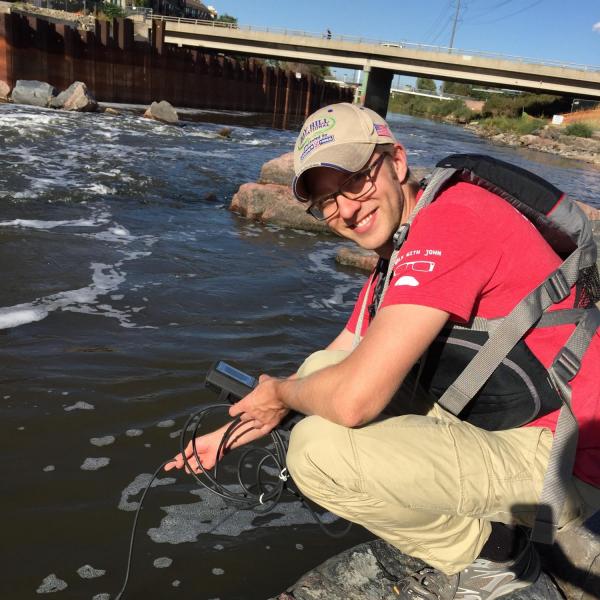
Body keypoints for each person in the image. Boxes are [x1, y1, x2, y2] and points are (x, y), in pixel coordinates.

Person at [166, 103, 600, 599]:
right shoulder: (402, 245)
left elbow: (355, 401)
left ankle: (495, 555)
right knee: (321, 369)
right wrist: (241, 425)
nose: (345, 210)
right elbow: (342, 351)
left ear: (396, 162)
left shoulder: (453, 221)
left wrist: (282, 394)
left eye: (353, 181)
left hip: (569, 460)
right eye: (326, 202)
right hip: (519, 418)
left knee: (317, 455)